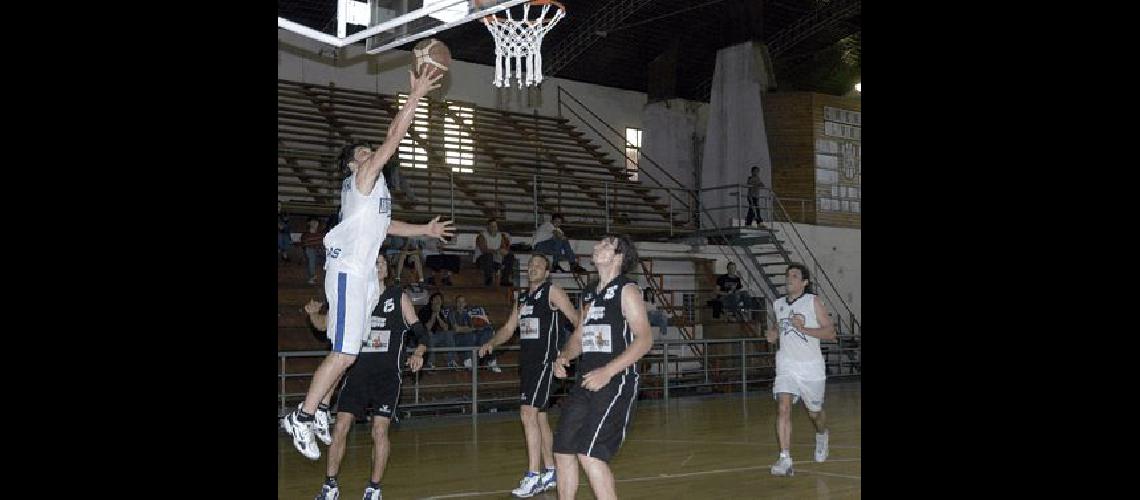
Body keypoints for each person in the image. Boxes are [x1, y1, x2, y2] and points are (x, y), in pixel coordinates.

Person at [280, 65, 453, 461]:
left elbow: (387, 224)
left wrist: (423, 229)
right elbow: (393, 138)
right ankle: (302, 416)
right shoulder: (362, 179)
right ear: (353, 165)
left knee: (350, 350)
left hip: (358, 276)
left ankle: (320, 407)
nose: (369, 154)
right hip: (348, 273)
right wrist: (416, 96)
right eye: (362, 153)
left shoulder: (369, 194)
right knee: (344, 352)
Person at [302, 253, 428, 499]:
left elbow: (421, 333)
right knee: (340, 426)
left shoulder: (397, 297)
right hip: (356, 376)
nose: (377, 265)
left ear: (387, 270)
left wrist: (420, 352)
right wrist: (312, 314)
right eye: (373, 263)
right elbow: (323, 325)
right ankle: (330, 486)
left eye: (381, 262)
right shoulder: (356, 298)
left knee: (379, 430)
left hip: (387, 378)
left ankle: (374, 488)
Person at [550, 235, 654, 500]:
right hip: (585, 379)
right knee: (562, 449)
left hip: (616, 381)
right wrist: (564, 357)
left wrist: (608, 371)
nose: (597, 247)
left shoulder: (626, 290)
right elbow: (580, 336)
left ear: (619, 257)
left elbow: (645, 339)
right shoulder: (590, 292)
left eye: (606, 245)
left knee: (590, 453)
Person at [479, 254, 581, 497]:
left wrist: (567, 354)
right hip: (528, 364)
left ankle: (533, 475)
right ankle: (550, 471)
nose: (533, 268)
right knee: (540, 417)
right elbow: (508, 329)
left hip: (547, 363)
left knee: (528, 413)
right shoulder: (522, 298)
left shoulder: (552, 292)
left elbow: (578, 321)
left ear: (546, 273)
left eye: (539, 266)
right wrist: (491, 343)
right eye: (531, 265)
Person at [764, 263, 835, 476]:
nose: (789, 278)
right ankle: (785, 459)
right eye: (788, 275)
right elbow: (778, 326)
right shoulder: (778, 304)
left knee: (815, 414)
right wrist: (773, 334)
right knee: (783, 408)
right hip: (786, 364)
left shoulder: (813, 302)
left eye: (794, 276)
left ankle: (822, 435)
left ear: (804, 282)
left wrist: (803, 328)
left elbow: (830, 333)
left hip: (811, 367)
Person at [419, 292, 458, 369]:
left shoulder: (440, 311)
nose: (439, 301)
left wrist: (438, 316)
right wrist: (434, 314)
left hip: (436, 336)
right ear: (431, 300)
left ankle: (451, 361)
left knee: (449, 333)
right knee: (429, 335)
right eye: (437, 299)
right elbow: (427, 328)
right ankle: (431, 363)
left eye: (440, 300)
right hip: (424, 337)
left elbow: (446, 328)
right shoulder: (424, 310)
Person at [476, 219, 516, 287]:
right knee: (488, 256)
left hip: (495, 260)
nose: (494, 228)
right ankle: (488, 280)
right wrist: (497, 251)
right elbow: (484, 250)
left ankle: (504, 280)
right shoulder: (482, 236)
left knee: (510, 256)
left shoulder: (500, 236)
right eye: (492, 226)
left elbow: (503, 247)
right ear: (488, 227)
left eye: (495, 226)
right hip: (482, 260)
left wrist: (504, 251)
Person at [301, 217, 326, 284]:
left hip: (320, 251)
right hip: (311, 251)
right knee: (311, 254)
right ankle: (312, 276)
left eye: (316, 222)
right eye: (313, 222)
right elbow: (305, 244)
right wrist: (315, 245)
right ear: (309, 223)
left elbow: (323, 243)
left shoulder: (321, 234)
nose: (315, 224)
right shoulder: (305, 234)